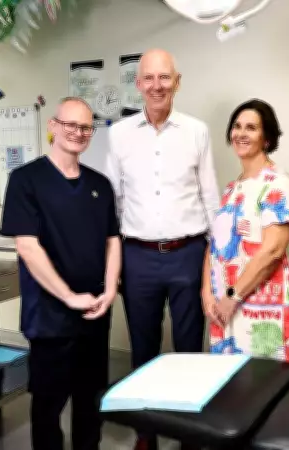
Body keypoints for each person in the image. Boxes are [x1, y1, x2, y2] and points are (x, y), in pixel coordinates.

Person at [105, 49, 219, 450]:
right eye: (149, 78)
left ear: (177, 82)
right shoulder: (119, 134)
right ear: (138, 84)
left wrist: (218, 260)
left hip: (189, 253)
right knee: (143, 349)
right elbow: (114, 201)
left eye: (164, 77)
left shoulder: (197, 131)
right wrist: (113, 261)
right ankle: (146, 433)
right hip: (138, 256)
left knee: (189, 350)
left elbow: (210, 197)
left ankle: (188, 435)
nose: (157, 86)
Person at [1, 97, 121, 450]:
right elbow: (27, 247)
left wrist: (110, 290)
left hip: (94, 312)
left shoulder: (100, 185)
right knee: (48, 405)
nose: (78, 132)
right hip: (50, 316)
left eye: (85, 127)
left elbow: (113, 241)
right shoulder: (26, 180)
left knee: (91, 401)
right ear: (52, 126)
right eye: (70, 124)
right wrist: (68, 296)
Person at [203, 99, 289, 371]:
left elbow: (272, 251)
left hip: (260, 311)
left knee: (266, 385)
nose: (241, 133)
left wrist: (232, 297)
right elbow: (215, 245)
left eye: (251, 128)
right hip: (225, 310)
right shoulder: (232, 189)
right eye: (237, 126)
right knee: (230, 385)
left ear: (266, 138)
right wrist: (207, 293)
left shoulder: (278, 184)